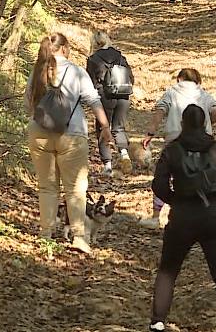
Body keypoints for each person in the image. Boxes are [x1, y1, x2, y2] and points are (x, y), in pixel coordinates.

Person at [148, 105, 216, 332]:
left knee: (168, 270)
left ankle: (157, 322)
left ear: (182, 124)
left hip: (183, 216)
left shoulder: (172, 150)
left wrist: (175, 200)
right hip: (215, 215)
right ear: (205, 124)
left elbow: (159, 185)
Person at [24, 33, 114, 254]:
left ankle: (46, 234)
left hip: (39, 133)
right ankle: (80, 238)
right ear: (63, 48)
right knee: (75, 189)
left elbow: (28, 102)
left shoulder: (37, 71)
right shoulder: (76, 71)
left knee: (46, 186)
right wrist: (105, 127)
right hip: (72, 134)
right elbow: (93, 100)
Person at [139, 68, 216, 229]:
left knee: (165, 175)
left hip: (176, 138)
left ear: (179, 79)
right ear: (198, 81)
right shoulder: (202, 93)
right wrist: (208, 124)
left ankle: (156, 216)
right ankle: (203, 209)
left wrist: (150, 132)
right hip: (201, 138)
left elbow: (160, 110)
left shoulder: (172, 92)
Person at [86, 31, 134, 176]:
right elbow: (131, 76)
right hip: (124, 94)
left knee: (102, 128)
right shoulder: (120, 56)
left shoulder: (93, 59)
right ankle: (124, 154)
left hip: (105, 96)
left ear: (94, 43)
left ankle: (107, 165)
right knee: (118, 128)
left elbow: (90, 82)